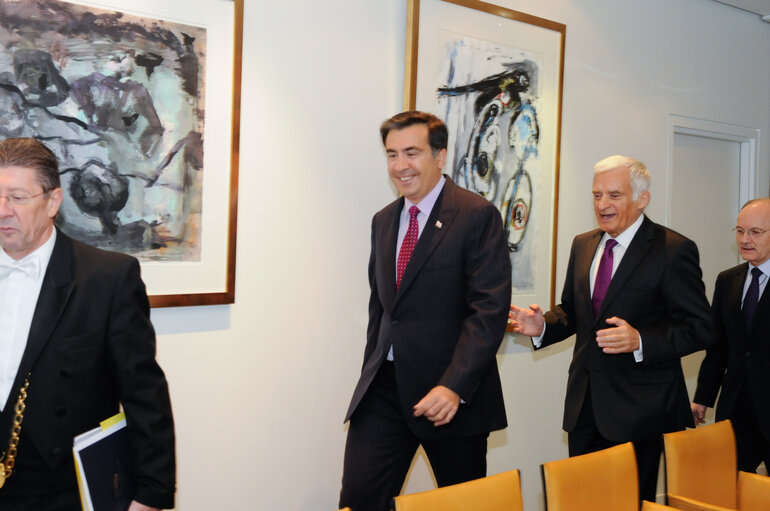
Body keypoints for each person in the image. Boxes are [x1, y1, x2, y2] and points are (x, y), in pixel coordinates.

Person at [509, 155, 713, 502]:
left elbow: (701, 328)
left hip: (642, 413)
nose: (602, 205)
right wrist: (544, 324)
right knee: (583, 502)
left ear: (641, 199)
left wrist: (641, 341)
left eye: (614, 195)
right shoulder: (583, 244)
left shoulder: (673, 250)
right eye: (596, 195)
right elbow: (573, 312)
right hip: (584, 408)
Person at [339, 111, 511, 511]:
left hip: (450, 395)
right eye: (392, 154)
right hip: (384, 389)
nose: (401, 165)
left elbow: (488, 311)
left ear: (440, 155)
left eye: (412, 153)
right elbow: (382, 310)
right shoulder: (383, 221)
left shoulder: (476, 215)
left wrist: (454, 385)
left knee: (461, 505)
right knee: (359, 498)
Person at [0, 138, 175, 510]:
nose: (3, 211)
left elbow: (144, 394)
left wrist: (150, 494)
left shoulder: (107, 278)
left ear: (53, 202)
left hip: (58, 489)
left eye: (17, 197)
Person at [692, 198, 770, 473]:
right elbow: (718, 346)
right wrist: (703, 396)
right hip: (735, 409)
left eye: (755, 232)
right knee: (731, 490)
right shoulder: (728, 280)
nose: (745, 239)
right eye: (739, 231)